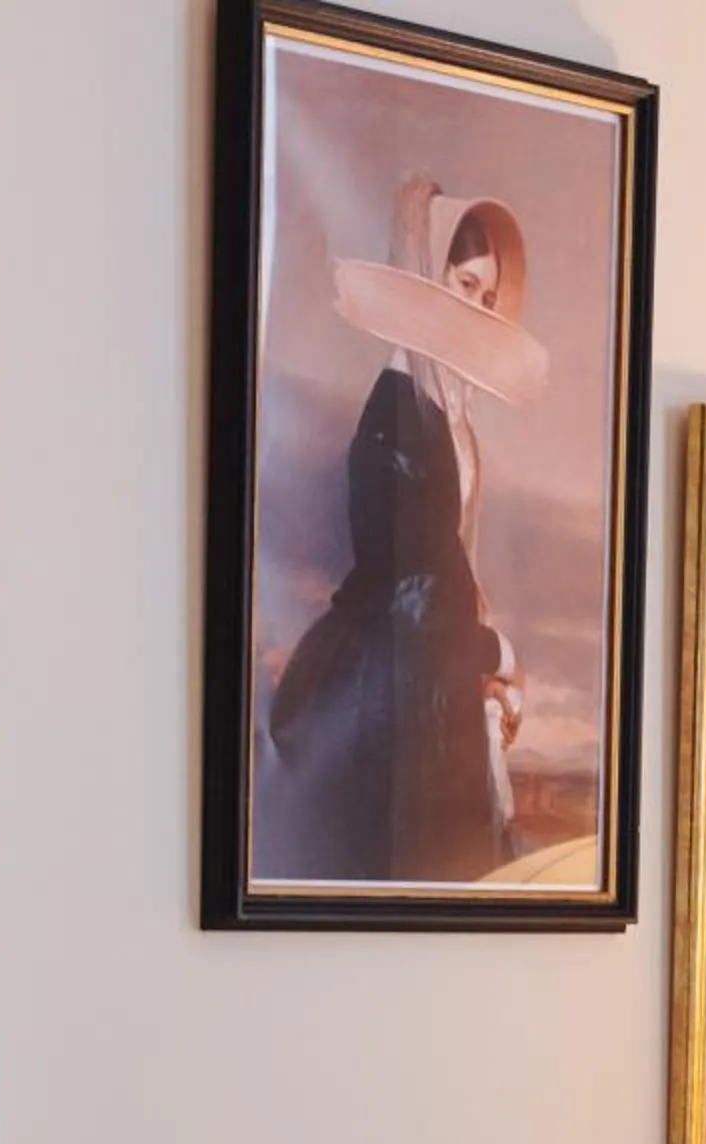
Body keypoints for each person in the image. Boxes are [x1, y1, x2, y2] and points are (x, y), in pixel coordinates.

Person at [255, 180, 547, 888]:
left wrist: (481, 670)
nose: (477, 311)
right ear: (426, 276)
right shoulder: (398, 416)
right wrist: (499, 654)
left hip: (427, 672)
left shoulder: (441, 412)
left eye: (487, 297)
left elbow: (446, 578)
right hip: (386, 686)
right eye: (465, 285)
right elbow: (420, 592)